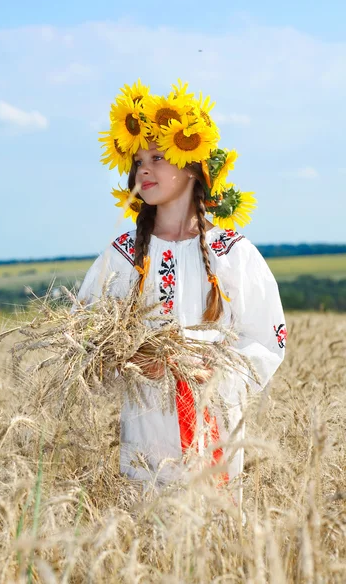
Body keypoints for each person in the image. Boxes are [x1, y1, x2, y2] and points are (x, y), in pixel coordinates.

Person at [76, 80, 286, 502]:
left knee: (214, 541)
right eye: (138, 161)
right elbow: (86, 339)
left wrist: (218, 369)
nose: (143, 170)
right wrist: (131, 361)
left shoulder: (234, 255)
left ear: (192, 165)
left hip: (217, 429)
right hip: (145, 432)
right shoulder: (122, 256)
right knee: (146, 541)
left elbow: (268, 339)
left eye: (157, 156)